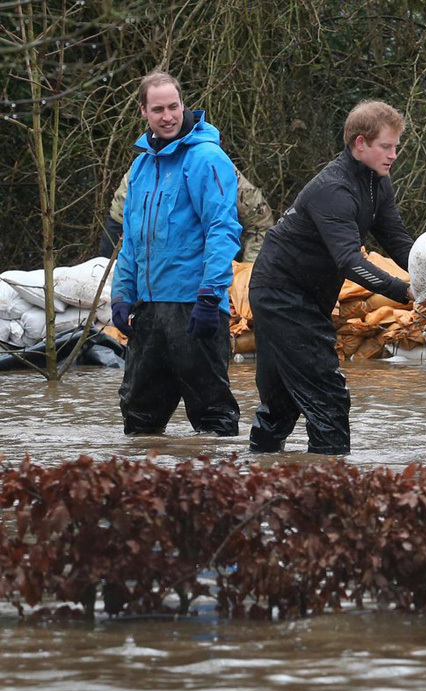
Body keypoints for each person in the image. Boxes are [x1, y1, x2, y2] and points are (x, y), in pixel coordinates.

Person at [248, 100, 416, 455]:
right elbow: (350, 262)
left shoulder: (376, 184)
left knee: (280, 406)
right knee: (328, 397)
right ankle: (331, 485)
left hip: (307, 296)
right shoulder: (333, 189)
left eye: (396, 146)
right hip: (281, 294)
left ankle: (257, 472)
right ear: (360, 143)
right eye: (386, 146)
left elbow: (399, 243)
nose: (394, 155)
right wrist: (405, 292)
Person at [111, 71, 242, 436]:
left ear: (184, 105)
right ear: (143, 112)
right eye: (158, 109)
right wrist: (122, 295)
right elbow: (131, 242)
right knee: (138, 419)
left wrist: (209, 294)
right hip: (149, 310)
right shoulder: (139, 168)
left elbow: (223, 229)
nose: (167, 116)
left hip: (194, 306)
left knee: (213, 419)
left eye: (173, 106)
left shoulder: (206, 159)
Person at [100, 162, 274, 262]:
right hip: (146, 251)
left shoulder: (219, 169)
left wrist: (248, 274)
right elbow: (119, 225)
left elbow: (260, 222)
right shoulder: (146, 166)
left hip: (206, 258)